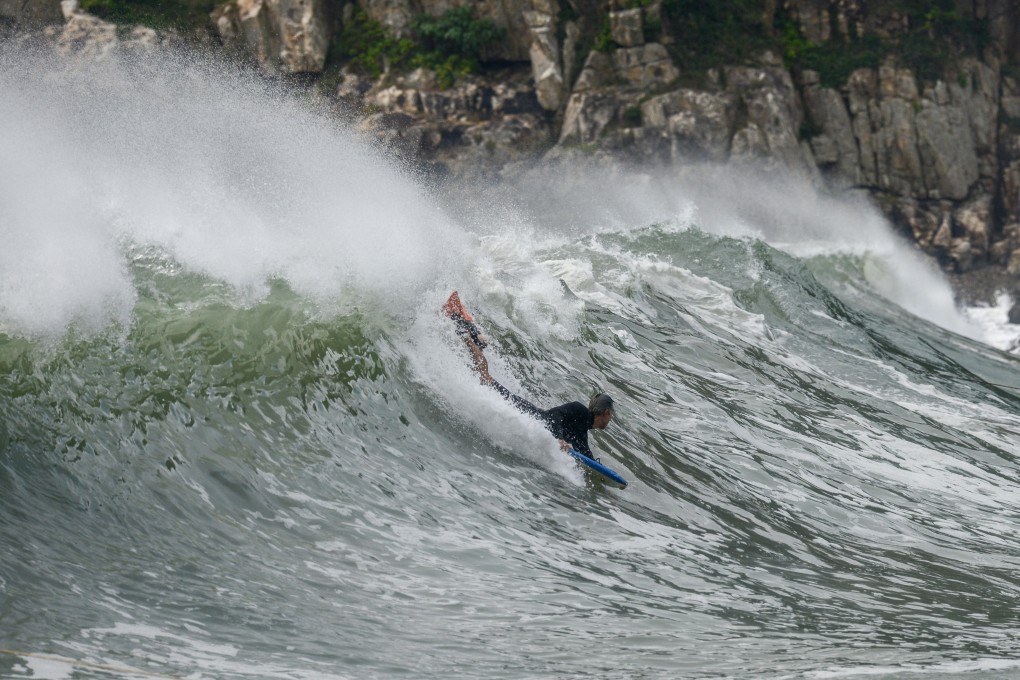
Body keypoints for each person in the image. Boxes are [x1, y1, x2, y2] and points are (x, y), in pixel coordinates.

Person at [443, 291, 615, 459]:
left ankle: (465, 324)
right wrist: (560, 439)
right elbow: (554, 416)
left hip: (533, 416)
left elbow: (583, 450)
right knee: (486, 379)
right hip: (529, 412)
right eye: (612, 414)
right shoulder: (579, 410)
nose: (611, 418)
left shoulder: (582, 430)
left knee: (483, 367)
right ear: (605, 413)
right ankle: (459, 322)